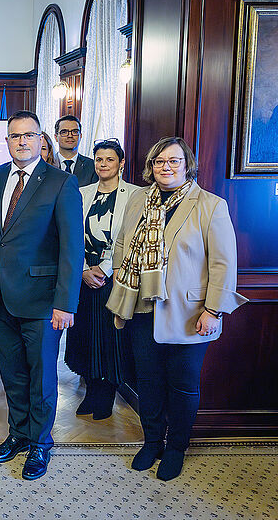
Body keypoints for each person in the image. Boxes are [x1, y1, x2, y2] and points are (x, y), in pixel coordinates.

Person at [107, 136, 247, 481]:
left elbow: (224, 264)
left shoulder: (210, 205)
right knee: (149, 381)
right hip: (140, 308)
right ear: (150, 166)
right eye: (159, 161)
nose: (166, 167)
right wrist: (119, 276)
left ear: (187, 165)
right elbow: (123, 241)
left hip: (189, 315)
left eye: (173, 161)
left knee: (183, 385)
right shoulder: (139, 199)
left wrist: (213, 310)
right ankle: (152, 441)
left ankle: (175, 449)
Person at [0, 111, 83, 480]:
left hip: (43, 301)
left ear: (42, 139)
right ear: (6, 141)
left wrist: (65, 303)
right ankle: (19, 434)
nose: (22, 141)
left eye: (29, 135)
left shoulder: (60, 182)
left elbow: (72, 249)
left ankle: (41, 443)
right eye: (14, 136)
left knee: (41, 377)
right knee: (11, 374)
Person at [64, 139, 141, 420]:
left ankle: (105, 396)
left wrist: (105, 269)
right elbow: (71, 234)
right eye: (99, 159)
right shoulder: (80, 192)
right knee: (85, 336)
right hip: (83, 279)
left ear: (121, 163)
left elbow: (130, 239)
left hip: (114, 279)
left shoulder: (135, 195)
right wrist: (84, 268)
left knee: (109, 339)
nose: (103, 164)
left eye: (110, 159)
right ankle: (90, 393)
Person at [53, 114, 98, 186]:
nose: (70, 136)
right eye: (64, 132)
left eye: (75, 132)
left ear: (81, 136)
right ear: (56, 137)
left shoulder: (92, 166)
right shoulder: (48, 163)